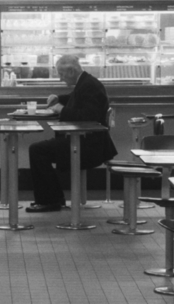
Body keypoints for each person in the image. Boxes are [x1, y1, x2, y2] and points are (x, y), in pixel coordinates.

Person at [25, 54, 117, 212]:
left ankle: (50, 200)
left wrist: (61, 109)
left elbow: (88, 117)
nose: (60, 79)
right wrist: (58, 98)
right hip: (88, 141)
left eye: (61, 74)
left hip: (88, 146)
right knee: (39, 150)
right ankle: (52, 199)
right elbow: (75, 98)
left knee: (37, 150)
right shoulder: (86, 82)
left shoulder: (89, 85)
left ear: (71, 71)